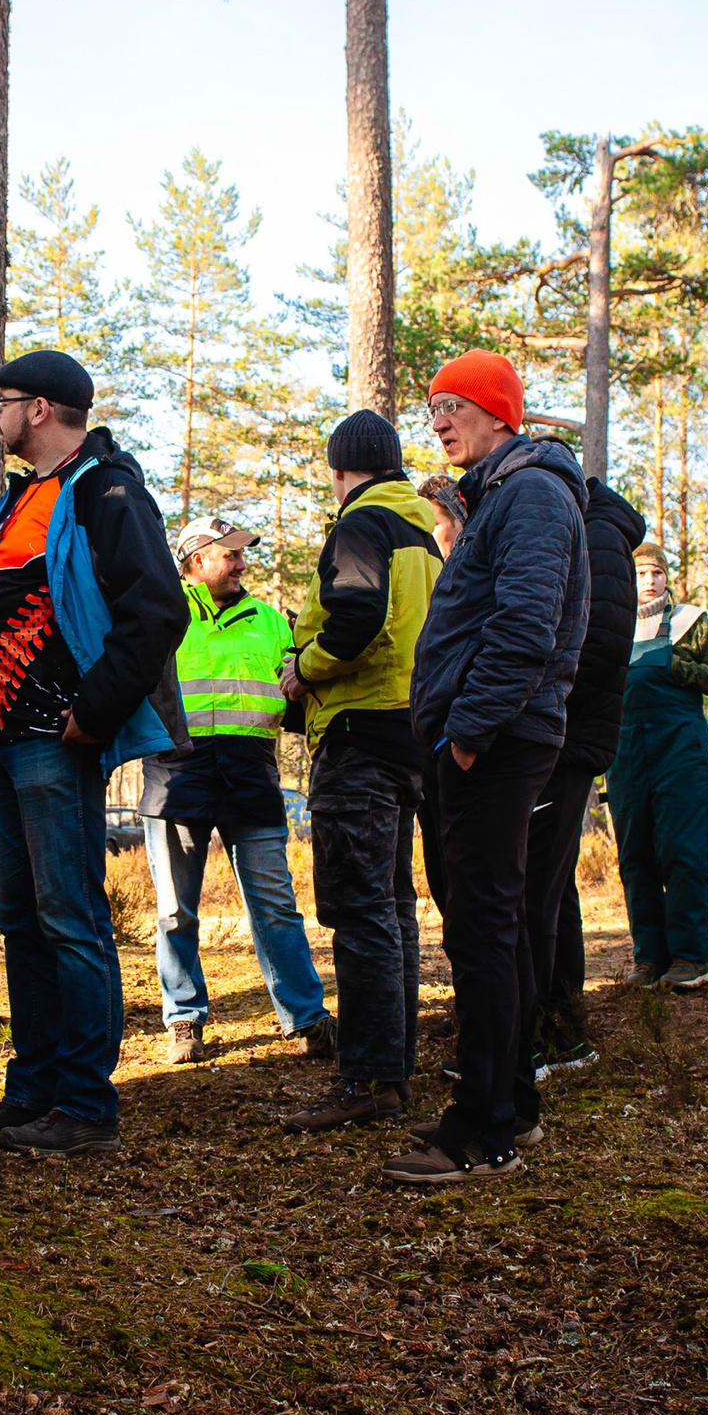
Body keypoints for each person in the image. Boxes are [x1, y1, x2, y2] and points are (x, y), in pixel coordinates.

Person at [0, 348, 187, 1157]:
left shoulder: (107, 489)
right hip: (10, 741)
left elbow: (157, 609)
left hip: (59, 741)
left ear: (42, 410)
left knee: (70, 916)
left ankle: (86, 1104)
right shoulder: (22, 498)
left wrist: (94, 710)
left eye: (4, 401)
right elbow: (13, 607)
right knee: (21, 915)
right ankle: (36, 1089)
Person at [398, 351, 588, 1185]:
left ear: (498, 410)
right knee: (498, 927)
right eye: (431, 408)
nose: (438, 421)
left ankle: (479, 1131)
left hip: (499, 741)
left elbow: (524, 628)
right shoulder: (501, 496)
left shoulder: (536, 493)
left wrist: (466, 733)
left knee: (482, 931)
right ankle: (513, 1103)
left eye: (452, 405)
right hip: (491, 738)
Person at [277, 409, 443, 1133]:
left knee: (359, 906)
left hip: (359, 733)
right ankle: (392, 1066)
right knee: (393, 904)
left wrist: (301, 671)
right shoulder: (423, 535)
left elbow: (352, 619)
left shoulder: (361, 525)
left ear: (341, 470)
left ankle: (372, 1076)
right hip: (413, 735)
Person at [139, 515, 333, 1067]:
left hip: (251, 774)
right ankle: (184, 1019)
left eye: (243, 552)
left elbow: (297, 695)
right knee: (176, 911)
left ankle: (306, 1017)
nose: (242, 562)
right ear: (195, 560)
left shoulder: (272, 622)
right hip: (177, 774)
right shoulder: (162, 616)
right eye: (230, 553)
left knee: (275, 905)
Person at [521, 473, 646, 1075]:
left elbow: (593, 647)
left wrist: (533, 705)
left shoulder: (595, 535)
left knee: (536, 892)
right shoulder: (593, 528)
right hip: (562, 734)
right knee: (551, 888)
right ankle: (562, 1032)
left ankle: (543, 1037)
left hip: (561, 739)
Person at [612, 542, 708, 991]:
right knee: (635, 856)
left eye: (656, 573)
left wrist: (679, 666)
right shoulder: (612, 627)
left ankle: (690, 957)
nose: (649, 581)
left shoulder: (690, 623)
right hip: (626, 756)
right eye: (641, 573)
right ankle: (649, 959)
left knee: (682, 852)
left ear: (667, 578)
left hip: (679, 753)